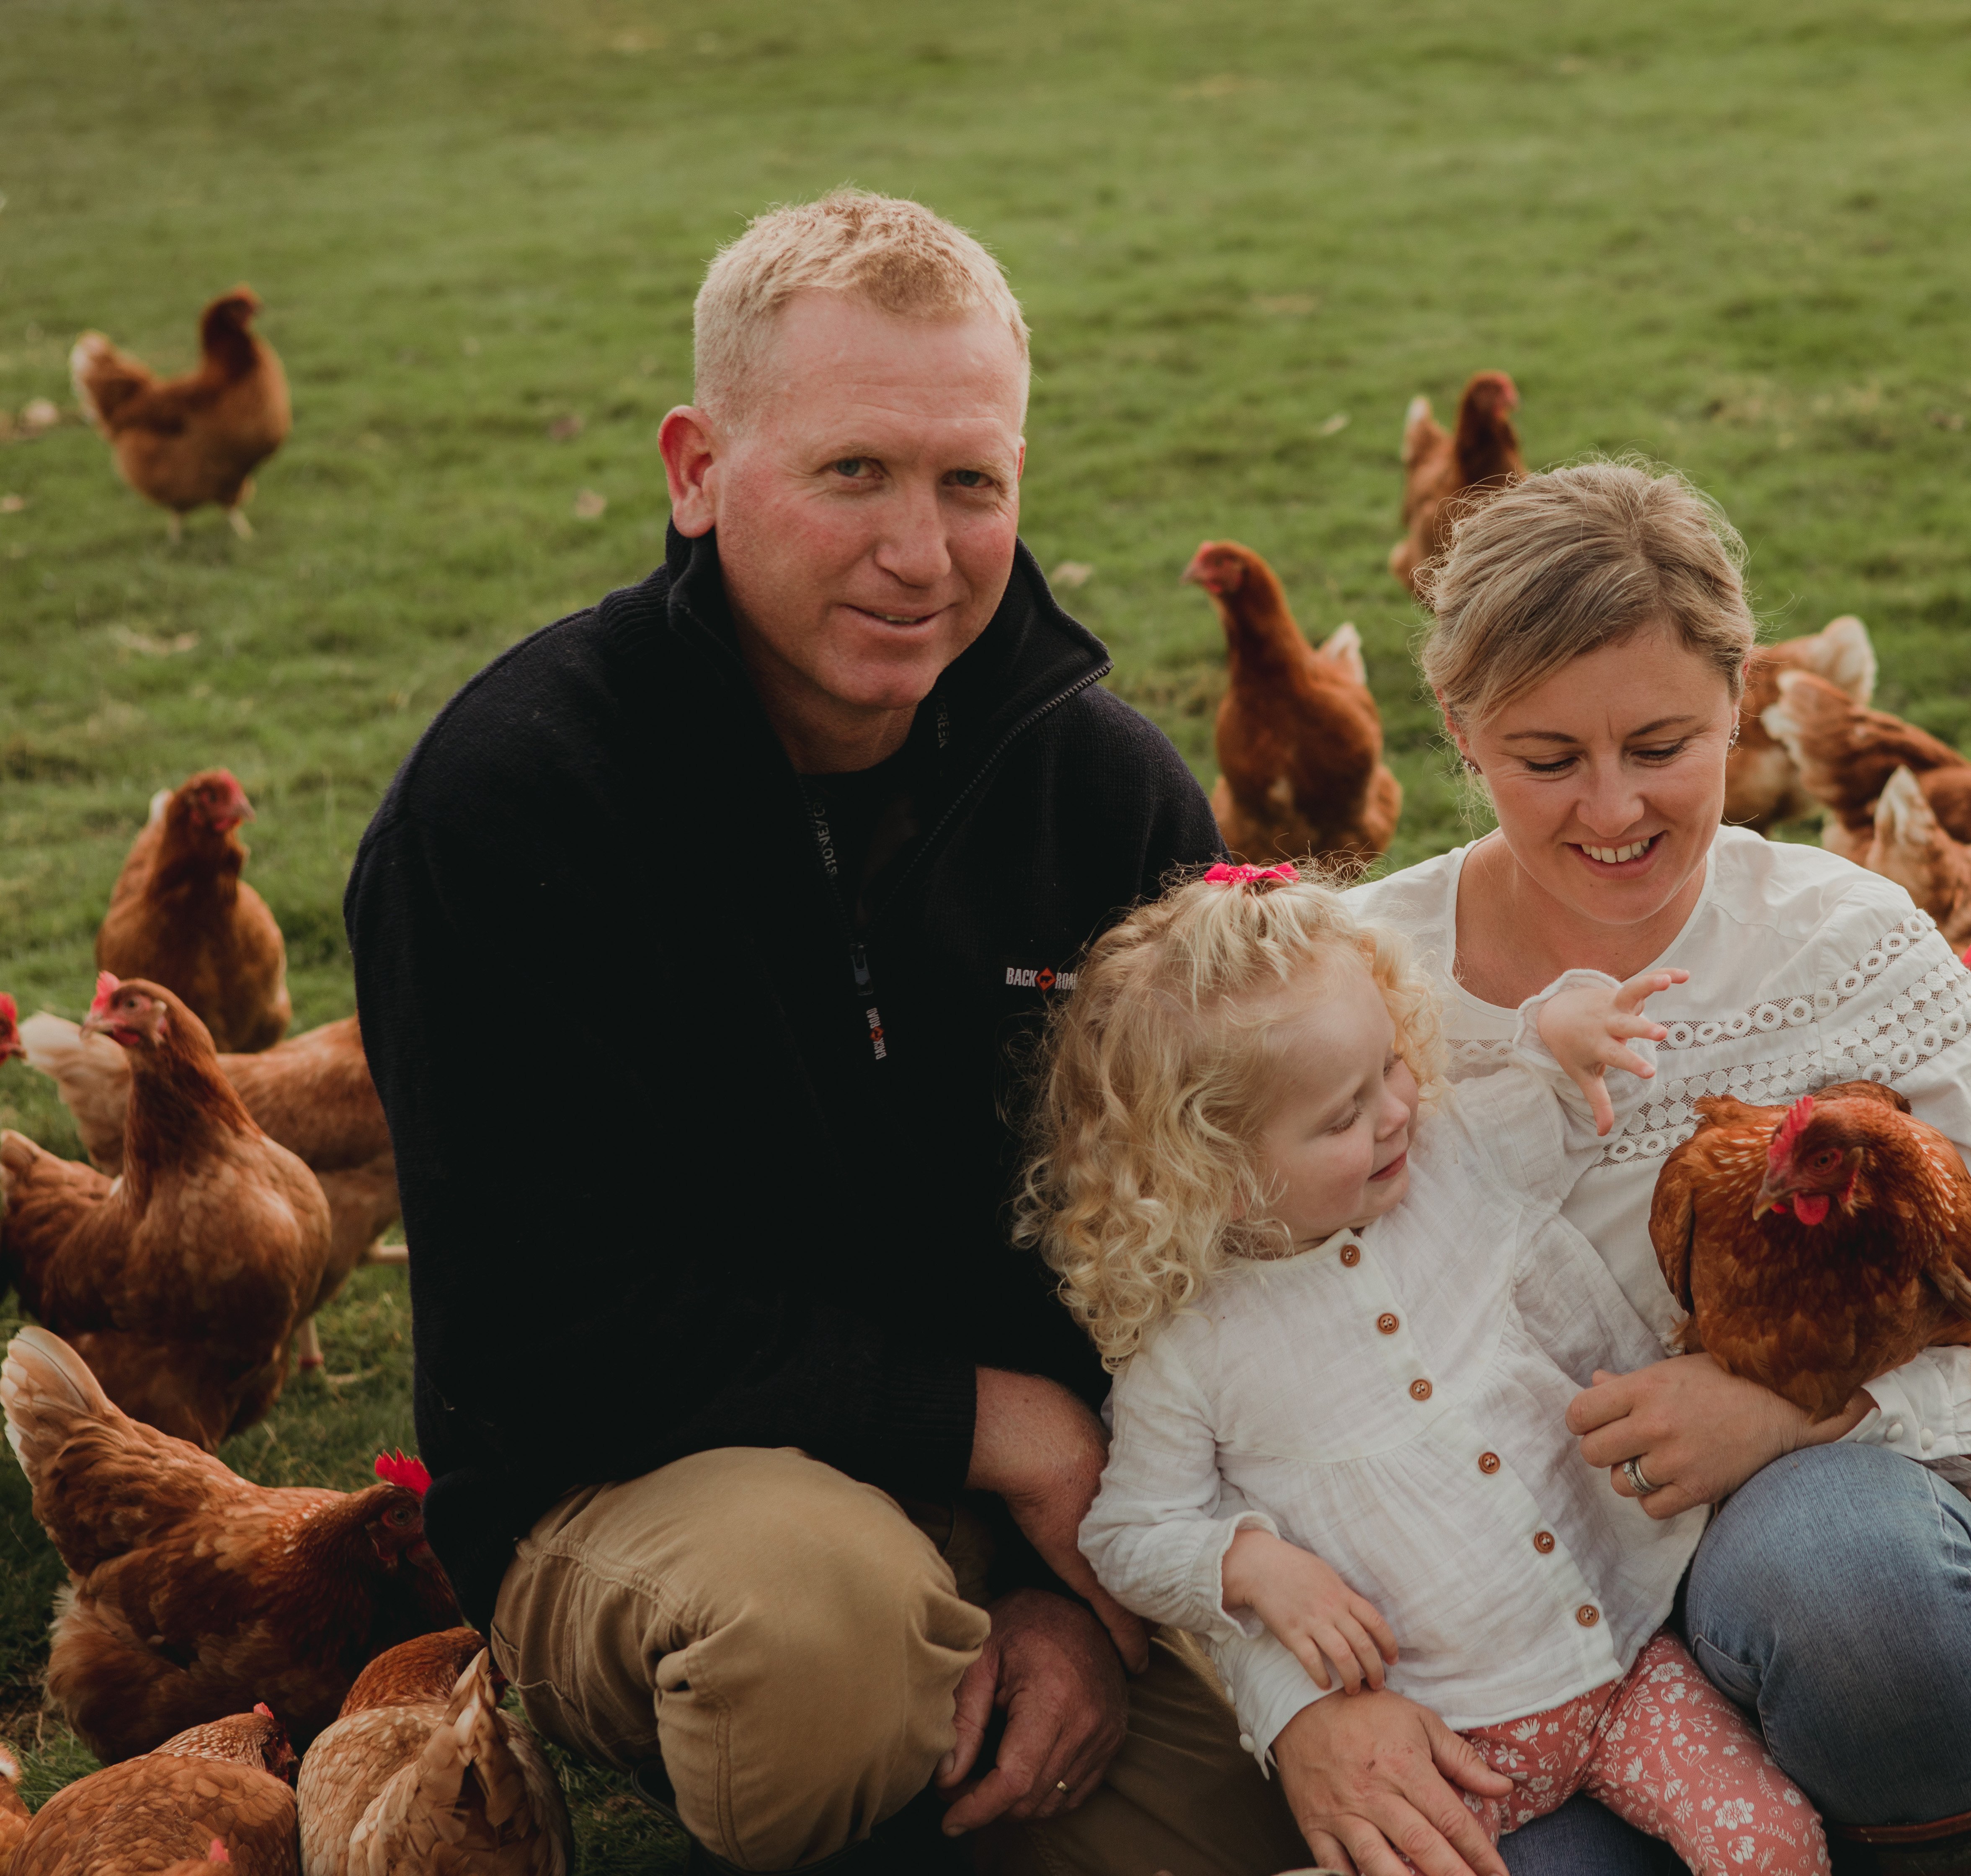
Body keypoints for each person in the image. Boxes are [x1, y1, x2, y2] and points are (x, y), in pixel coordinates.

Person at [346, 191, 1310, 1875]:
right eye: (853, 471)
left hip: (1060, 1501)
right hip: (655, 1484)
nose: (920, 550)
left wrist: (1076, 1594)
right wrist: (1007, 1428)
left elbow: (1207, 1228)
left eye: (971, 482)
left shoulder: (1105, 794)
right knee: (824, 1644)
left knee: (1290, 1707)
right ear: (697, 470)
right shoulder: (509, 807)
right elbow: (558, 1316)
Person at [1260, 462, 1971, 1873]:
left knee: (1855, 1586)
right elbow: (1213, 1372)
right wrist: (1298, 1700)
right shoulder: (1352, 986)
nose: (1612, 811)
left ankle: (1922, 1816)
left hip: (1798, 1561)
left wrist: (1792, 1423)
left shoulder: (1847, 945)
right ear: (1460, 735)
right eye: (1548, 760)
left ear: (1737, 702)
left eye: (1664, 744)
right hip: (1485, 1639)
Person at [1022, 865, 1830, 1874]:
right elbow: (1130, 1530)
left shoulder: (1454, 1157)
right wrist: (1252, 1564)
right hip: (1441, 1749)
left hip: (1627, 1659)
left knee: (1774, 1844)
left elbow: (1542, 1090)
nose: (1399, 1110)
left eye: (1392, 1067)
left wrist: (1562, 1031)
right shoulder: (1190, 1352)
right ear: (1215, 1176)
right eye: (1342, 1115)